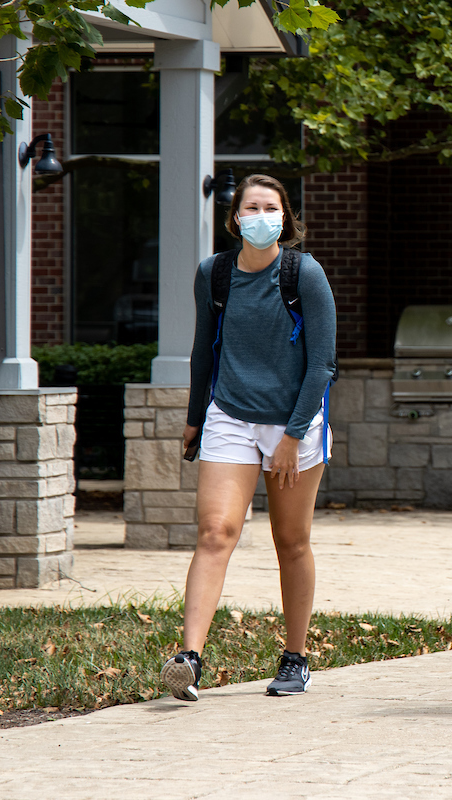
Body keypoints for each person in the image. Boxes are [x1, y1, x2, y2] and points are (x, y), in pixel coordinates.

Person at [160, 174, 337, 701]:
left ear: (285, 218)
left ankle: (295, 657)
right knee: (215, 532)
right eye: (251, 208)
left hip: (293, 420)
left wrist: (293, 435)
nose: (261, 216)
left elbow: (323, 363)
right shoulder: (213, 274)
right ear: (235, 218)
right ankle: (188, 658)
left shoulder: (303, 273)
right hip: (230, 415)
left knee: (291, 540)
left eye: (271, 208)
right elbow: (202, 351)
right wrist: (195, 417)